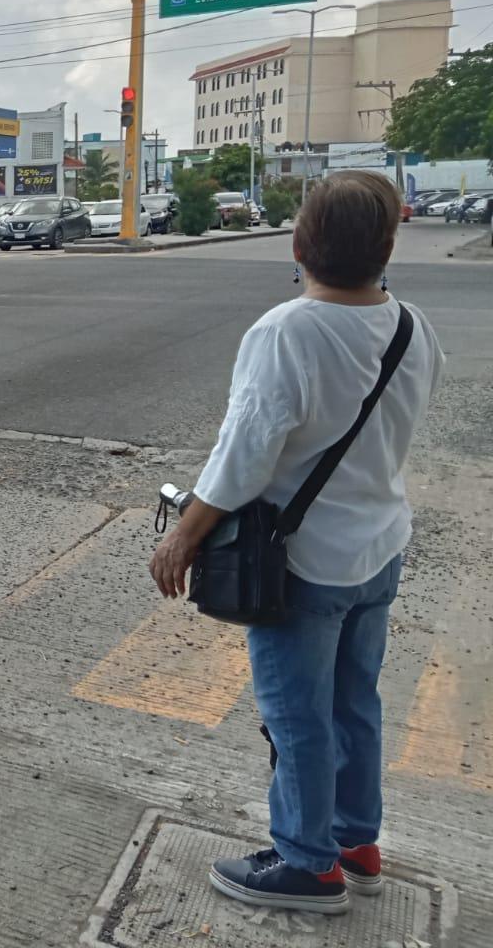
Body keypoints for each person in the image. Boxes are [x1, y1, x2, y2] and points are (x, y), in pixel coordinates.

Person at [148, 172, 442, 916]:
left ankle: (308, 866)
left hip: (303, 565)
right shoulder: (412, 326)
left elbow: (244, 455)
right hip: (378, 548)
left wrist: (184, 534)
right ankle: (354, 842)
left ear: (300, 243)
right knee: (354, 704)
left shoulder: (288, 331)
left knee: (297, 717)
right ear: (388, 244)